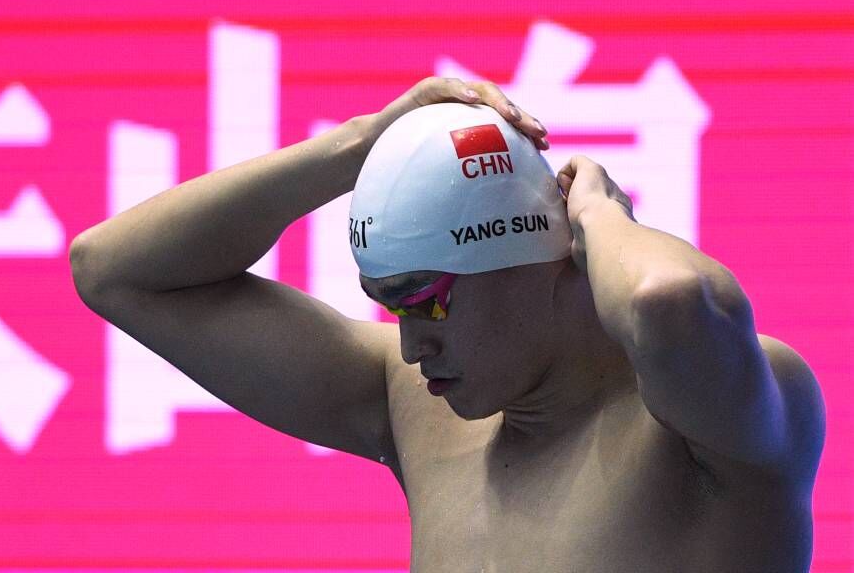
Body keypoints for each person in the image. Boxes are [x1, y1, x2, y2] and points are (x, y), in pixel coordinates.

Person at [69, 77, 825, 572]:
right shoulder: (414, 408)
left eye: (428, 299)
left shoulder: (718, 421)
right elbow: (115, 270)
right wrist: (362, 147)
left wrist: (594, 211)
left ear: (543, 254)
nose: (409, 342)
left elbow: (669, 299)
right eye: (390, 306)